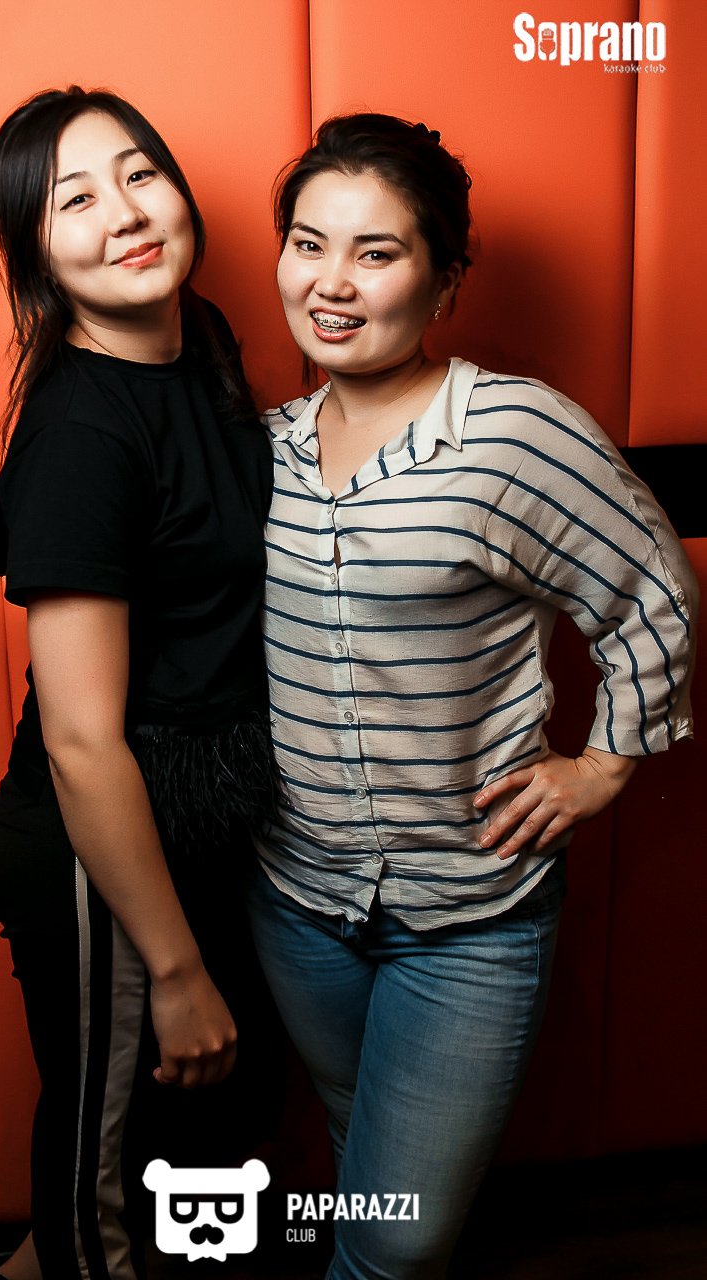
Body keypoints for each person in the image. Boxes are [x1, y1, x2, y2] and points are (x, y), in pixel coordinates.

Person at [247, 113, 699, 1280]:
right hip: (296, 906)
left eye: (376, 251)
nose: (330, 282)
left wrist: (602, 761)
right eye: (308, 243)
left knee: (395, 1243)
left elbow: (653, 586)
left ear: (444, 280)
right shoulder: (261, 447)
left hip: (470, 920)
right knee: (364, 1155)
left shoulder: (508, 430)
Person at [0, 87, 278, 1280]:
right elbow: (81, 742)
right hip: (97, 852)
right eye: (76, 199)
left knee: (163, 1158)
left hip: (196, 817)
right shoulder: (82, 434)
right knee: (98, 1203)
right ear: (36, 251)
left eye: (140, 173)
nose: (127, 213)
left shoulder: (201, 338)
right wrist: (176, 967)